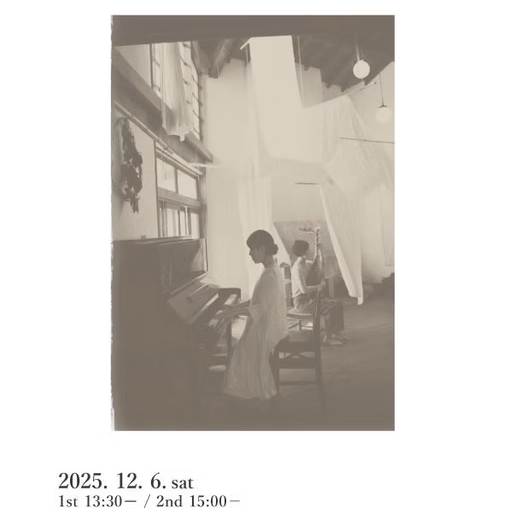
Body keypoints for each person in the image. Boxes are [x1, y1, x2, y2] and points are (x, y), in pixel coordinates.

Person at [218, 230, 289, 404]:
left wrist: (233, 313)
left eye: (252, 249)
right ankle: (250, 389)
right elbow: (257, 299)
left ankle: (257, 391)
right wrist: (236, 307)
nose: (250, 253)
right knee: (242, 346)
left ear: (262, 248)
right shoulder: (271, 269)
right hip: (271, 321)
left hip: (271, 326)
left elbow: (262, 308)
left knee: (242, 349)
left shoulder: (270, 274)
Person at [291, 239, 345, 346]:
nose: (310, 251)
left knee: (338, 304)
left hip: (310, 299)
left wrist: (320, 250)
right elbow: (304, 290)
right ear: (303, 253)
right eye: (308, 250)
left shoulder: (306, 263)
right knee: (331, 306)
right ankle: (328, 337)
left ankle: (335, 333)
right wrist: (319, 287)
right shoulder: (297, 268)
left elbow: (321, 265)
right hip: (301, 303)